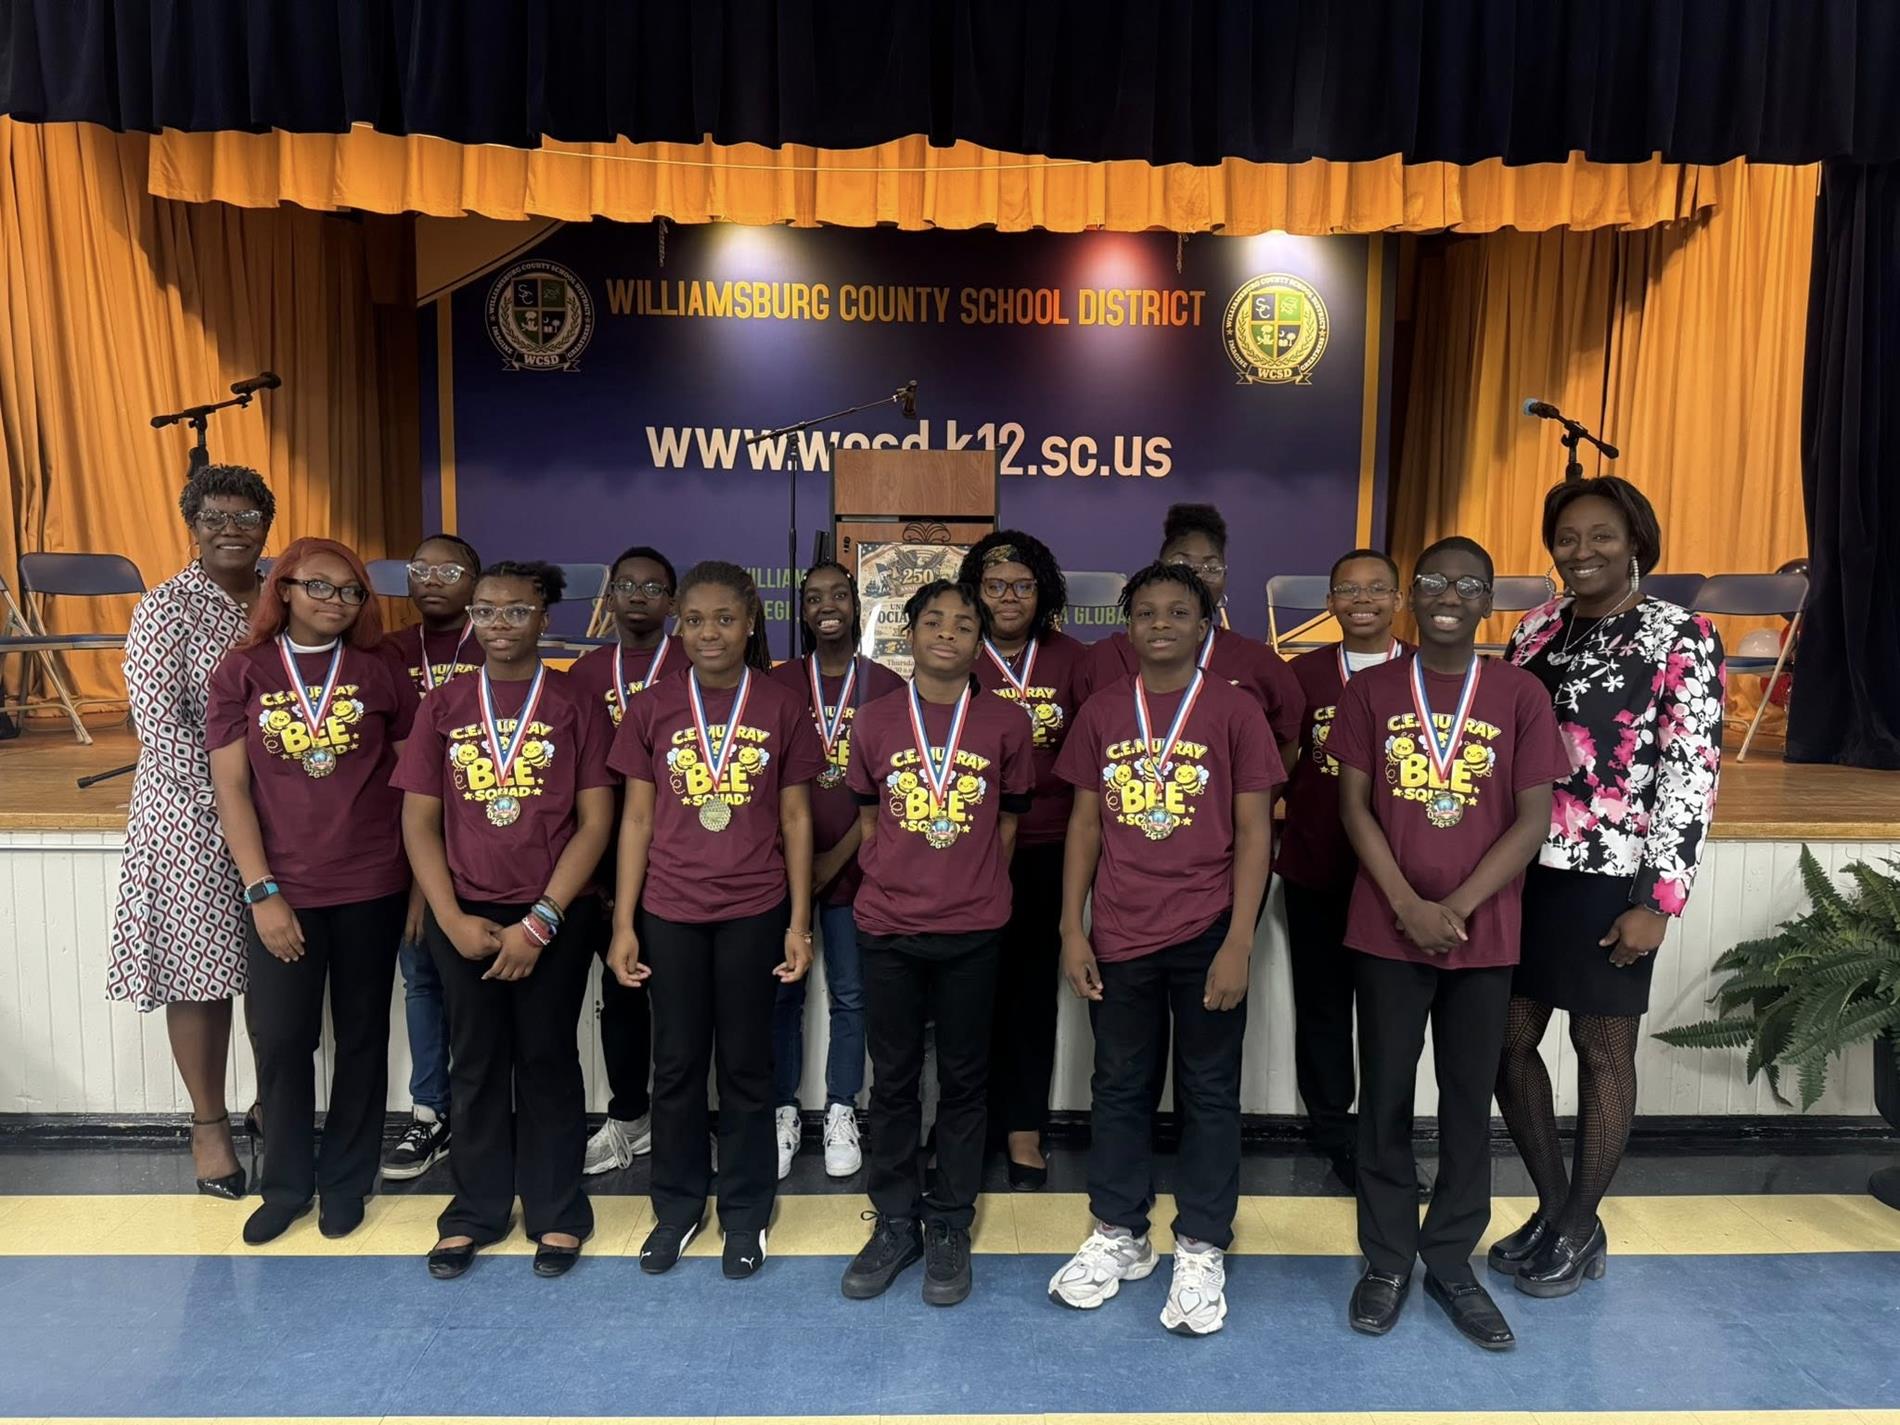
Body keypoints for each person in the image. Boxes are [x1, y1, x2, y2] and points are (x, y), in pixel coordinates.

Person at [1330, 537, 1568, 1351]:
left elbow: (1532, 819)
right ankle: (1388, 1258)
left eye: (1469, 583)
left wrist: (1455, 905)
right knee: (1386, 1100)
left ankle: (1452, 1259)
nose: (1449, 594)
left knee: (1469, 1102)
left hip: (1484, 934)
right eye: (1433, 579)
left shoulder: (1519, 692)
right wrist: (1405, 900)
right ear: (1412, 593)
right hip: (1386, 931)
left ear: (1488, 599)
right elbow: (1354, 807)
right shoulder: (1372, 692)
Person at [1490, 477, 1725, 1296]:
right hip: (1520, 871)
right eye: (1567, 537)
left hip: (1611, 880)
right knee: (1506, 1043)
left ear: (1636, 540)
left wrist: (1658, 901)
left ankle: (1581, 1221)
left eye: (1601, 536)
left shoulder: (1678, 634)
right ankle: (1556, 1209)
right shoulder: (1534, 627)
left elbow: (1691, 775)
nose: (1581, 551)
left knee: (1601, 1050)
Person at [1047, 562, 1278, 1336]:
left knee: (1209, 1093)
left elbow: (1255, 832)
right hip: (1117, 929)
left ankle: (1204, 1242)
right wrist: (1071, 925)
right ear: (1127, 622)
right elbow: (1084, 824)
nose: (1161, 624)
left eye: (1179, 611)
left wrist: (1241, 938)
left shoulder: (1235, 711)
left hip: (1209, 926)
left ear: (1205, 621)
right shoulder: (1105, 709)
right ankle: (1120, 1232)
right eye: (1145, 612)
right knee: (1117, 1087)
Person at [393, 561, 616, 1280]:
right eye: (484, 611)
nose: (497, 625)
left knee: (547, 1058)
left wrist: (542, 921)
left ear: (544, 617)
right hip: (468, 917)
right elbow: (419, 822)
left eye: (515, 611)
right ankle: (475, 1210)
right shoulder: (445, 703)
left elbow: (596, 821)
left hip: (555, 912)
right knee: (476, 1061)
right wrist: (452, 917)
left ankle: (558, 1210)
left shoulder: (576, 699)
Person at [606, 561, 822, 1280]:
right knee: (675, 1065)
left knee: (747, 1067)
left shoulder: (783, 703)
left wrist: (799, 921)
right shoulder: (653, 706)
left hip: (755, 909)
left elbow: (796, 818)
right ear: (679, 624)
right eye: (694, 619)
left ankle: (745, 1209)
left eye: (724, 618)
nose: (708, 632)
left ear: (751, 620)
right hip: (669, 909)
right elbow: (636, 818)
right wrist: (625, 921)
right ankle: (675, 1204)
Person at [206, 539, 416, 1243]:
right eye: (320, 586)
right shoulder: (244, 670)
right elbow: (230, 785)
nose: (336, 601)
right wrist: (261, 889)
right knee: (283, 1038)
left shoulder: (381, 671)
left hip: (372, 881)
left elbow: (416, 784)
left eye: (352, 590)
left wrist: (417, 885)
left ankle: (347, 1179)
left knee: (362, 1036)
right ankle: (288, 1182)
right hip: (282, 887)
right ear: (284, 588)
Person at [838, 580, 1034, 1308]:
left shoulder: (1005, 724)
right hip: (887, 928)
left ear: (980, 640)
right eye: (932, 620)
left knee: (963, 1080)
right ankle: (895, 1218)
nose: (947, 632)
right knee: (890, 1081)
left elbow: (1009, 828)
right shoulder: (876, 720)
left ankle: (948, 1219)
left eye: (964, 622)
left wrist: (967, 886)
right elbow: (866, 823)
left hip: (974, 930)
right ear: (908, 634)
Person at [108, 463, 275, 1199]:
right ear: (192, 525)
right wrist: (237, 799)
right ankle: (209, 1125)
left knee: (285, 969)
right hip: (190, 817)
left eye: (246, 516)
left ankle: (280, 1106)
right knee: (200, 975)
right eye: (215, 517)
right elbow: (160, 725)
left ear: (267, 522)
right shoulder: (165, 609)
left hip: (293, 816)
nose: (231, 530)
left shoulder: (290, 595)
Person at [956, 530, 1087, 1189]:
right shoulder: (954, 653)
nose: (1008, 597)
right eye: (994, 585)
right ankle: (967, 1120)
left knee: (1031, 993)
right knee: (969, 993)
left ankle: (1024, 1128)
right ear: (974, 592)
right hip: (963, 853)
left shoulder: (1074, 661)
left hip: (1047, 848)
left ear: (1044, 591)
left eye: (1023, 585)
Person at [1277, 550, 1411, 1189]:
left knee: (1390, 1015)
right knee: (1325, 1008)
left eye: (1377, 588)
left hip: (1402, 881)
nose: (1363, 600)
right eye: (1348, 590)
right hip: (1318, 867)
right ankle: (1333, 1132)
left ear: (1399, 598)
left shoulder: (1425, 669)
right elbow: (1278, 764)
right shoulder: (1300, 676)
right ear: (1330, 601)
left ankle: (1388, 1137)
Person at [765, 561, 903, 1179]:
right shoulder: (774, 683)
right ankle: (782, 1109)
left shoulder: (889, 686)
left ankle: (843, 1107)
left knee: (852, 997)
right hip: (778, 868)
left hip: (856, 869)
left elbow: (891, 794)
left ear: (856, 604)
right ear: (801, 610)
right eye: (814, 597)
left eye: (839, 595)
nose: (827, 605)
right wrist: (798, 862)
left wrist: (831, 859)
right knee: (782, 995)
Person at [567, 544, 684, 1176]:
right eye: (626, 585)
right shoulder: (582, 677)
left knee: (679, 1000)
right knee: (620, 995)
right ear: (608, 599)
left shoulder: (694, 667)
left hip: (669, 861)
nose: (637, 595)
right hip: (593, 863)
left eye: (653, 586)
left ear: (672, 602)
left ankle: (679, 1120)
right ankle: (628, 1118)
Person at [380, 532, 482, 1182]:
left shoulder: (499, 643)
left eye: (448, 569)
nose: (431, 578)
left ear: (474, 578)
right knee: (421, 978)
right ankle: (429, 1110)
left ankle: (479, 1114)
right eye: (420, 569)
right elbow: (397, 755)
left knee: (479, 991)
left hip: (484, 840)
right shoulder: (389, 651)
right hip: (412, 835)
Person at [1075, 502, 1303, 768]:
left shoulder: (1261, 664)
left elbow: (1286, 743)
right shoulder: (1103, 658)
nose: (1197, 575)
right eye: (1182, 562)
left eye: (1212, 567)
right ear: (1159, 568)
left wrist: (1241, 807)